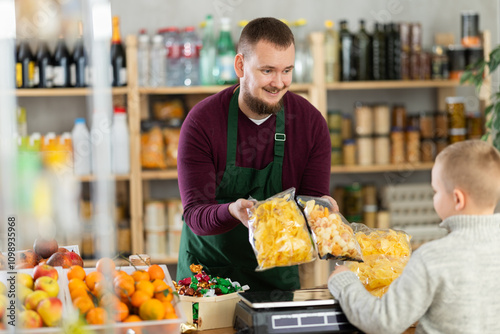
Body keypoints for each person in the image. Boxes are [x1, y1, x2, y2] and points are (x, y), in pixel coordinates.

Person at [176, 17, 334, 291]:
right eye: (267, 71)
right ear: (240, 65)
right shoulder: (202, 122)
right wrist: (231, 212)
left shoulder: (309, 124)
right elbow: (195, 214)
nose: (279, 83)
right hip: (207, 275)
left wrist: (322, 211)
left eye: (287, 71)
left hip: (275, 277)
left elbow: (310, 204)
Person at [328, 140, 500, 334]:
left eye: (436, 191)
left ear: (458, 199)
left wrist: (344, 282)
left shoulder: (432, 257)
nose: (433, 197)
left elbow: (382, 322)